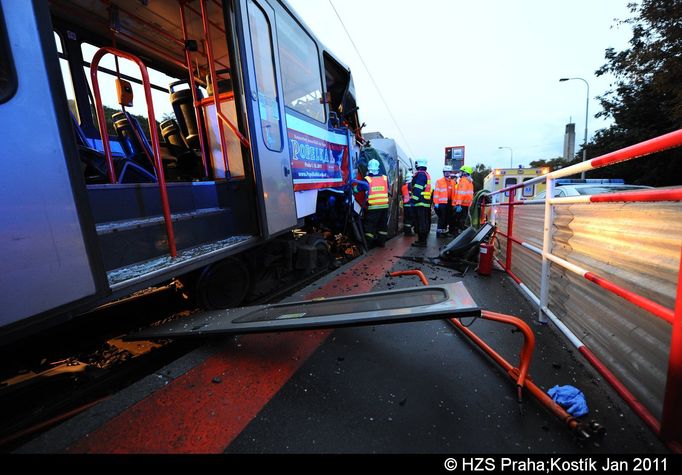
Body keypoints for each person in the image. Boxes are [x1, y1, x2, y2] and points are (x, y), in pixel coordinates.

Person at [354, 158, 390, 247]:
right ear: (378, 168)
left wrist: (353, 188)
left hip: (373, 207)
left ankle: (368, 244)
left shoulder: (367, 179)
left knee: (370, 226)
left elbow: (357, 189)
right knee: (382, 226)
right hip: (384, 206)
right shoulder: (385, 178)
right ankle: (382, 243)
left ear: (368, 168)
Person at [410, 159, 432, 247]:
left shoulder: (420, 175)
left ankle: (422, 241)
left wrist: (413, 200)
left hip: (420, 203)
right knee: (424, 221)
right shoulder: (426, 174)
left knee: (421, 222)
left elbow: (418, 188)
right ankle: (422, 240)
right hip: (424, 202)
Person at [433, 165, 455, 237]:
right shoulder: (439, 181)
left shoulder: (453, 182)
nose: (447, 173)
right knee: (442, 218)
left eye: (449, 172)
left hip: (450, 203)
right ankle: (439, 233)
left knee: (447, 218)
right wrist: (436, 203)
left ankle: (444, 232)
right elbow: (436, 193)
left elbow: (455, 193)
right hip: (441, 203)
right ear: (443, 173)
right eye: (446, 172)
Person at [452, 165, 474, 235]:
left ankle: (458, 234)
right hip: (466, 204)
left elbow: (461, 194)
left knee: (458, 220)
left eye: (461, 171)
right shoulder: (469, 182)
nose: (459, 173)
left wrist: (458, 204)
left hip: (462, 205)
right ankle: (460, 233)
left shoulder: (463, 181)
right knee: (462, 219)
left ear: (464, 172)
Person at [401, 171, 415, 235]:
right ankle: (408, 232)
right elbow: (411, 195)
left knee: (406, 219)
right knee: (410, 219)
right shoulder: (410, 186)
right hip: (410, 204)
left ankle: (406, 231)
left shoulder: (404, 186)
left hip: (405, 204)